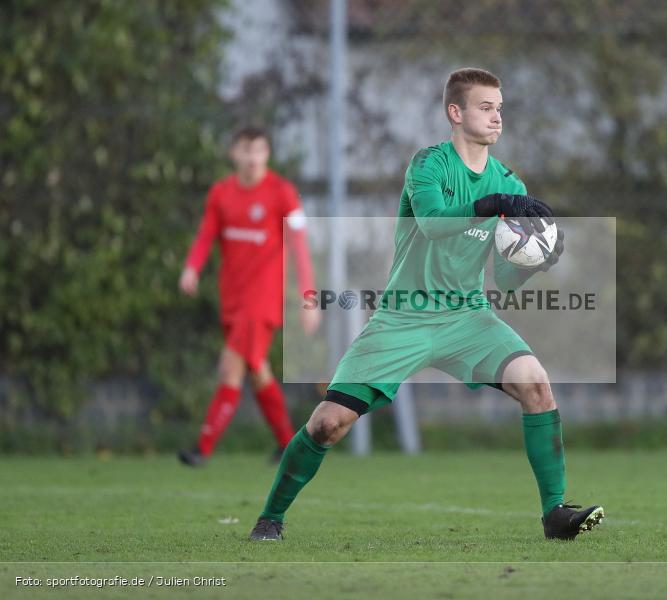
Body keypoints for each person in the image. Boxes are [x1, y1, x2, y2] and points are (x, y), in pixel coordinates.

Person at [249, 69, 603, 541]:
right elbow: (435, 223)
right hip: (403, 317)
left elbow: (505, 278)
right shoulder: (428, 166)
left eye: (500, 107)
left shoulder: (510, 184)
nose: (497, 116)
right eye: (485, 107)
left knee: (536, 384)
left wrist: (538, 261)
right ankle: (270, 517)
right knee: (327, 424)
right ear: (455, 113)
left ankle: (555, 514)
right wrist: (489, 204)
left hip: (467, 317)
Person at [177, 126, 320, 466]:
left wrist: (309, 297)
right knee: (258, 371)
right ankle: (290, 444)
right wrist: (191, 268)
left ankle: (202, 449)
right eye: (246, 150)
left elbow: (299, 246)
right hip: (232, 299)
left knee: (230, 367)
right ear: (234, 154)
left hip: (262, 300)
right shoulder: (221, 193)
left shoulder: (281, 192)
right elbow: (205, 235)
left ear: (267, 154)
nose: (253, 157)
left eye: (259, 150)